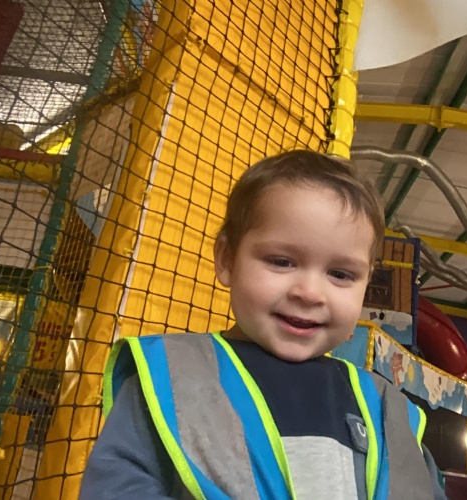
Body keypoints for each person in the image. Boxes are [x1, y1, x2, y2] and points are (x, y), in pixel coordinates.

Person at [80, 150, 446, 499]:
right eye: (282, 262)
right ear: (227, 258)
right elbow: (115, 489)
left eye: (340, 274)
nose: (310, 293)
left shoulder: (385, 408)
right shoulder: (173, 376)